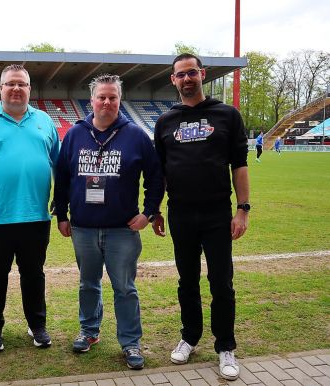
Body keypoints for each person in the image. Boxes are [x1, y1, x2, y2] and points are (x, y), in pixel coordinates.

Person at [53, 74, 164, 369]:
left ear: (119, 100)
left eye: (112, 97)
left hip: (122, 231)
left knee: (125, 288)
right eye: (101, 97)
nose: (107, 102)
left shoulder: (136, 135)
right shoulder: (75, 134)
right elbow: (61, 178)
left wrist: (148, 212)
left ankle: (130, 343)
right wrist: (61, 215)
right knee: (88, 284)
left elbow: (156, 177)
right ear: (91, 101)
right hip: (83, 228)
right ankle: (89, 332)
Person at [152, 53, 250, 381]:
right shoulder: (165, 121)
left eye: (192, 72)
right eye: (181, 75)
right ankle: (190, 336)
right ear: (173, 80)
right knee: (187, 280)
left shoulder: (227, 115)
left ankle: (225, 345)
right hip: (180, 213)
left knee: (221, 281)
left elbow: (239, 165)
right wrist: (156, 210)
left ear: (202, 74)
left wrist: (242, 209)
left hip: (217, 214)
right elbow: (160, 173)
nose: (187, 79)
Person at [0, 64, 60, 352]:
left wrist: (60, 196)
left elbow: (58, 164)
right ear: (0, 89)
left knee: (34, 274)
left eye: (22, 84)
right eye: (10, 84)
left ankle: (37, 325)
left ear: (30, 89)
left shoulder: (44, 121)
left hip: (36, 214)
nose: (16, 89)